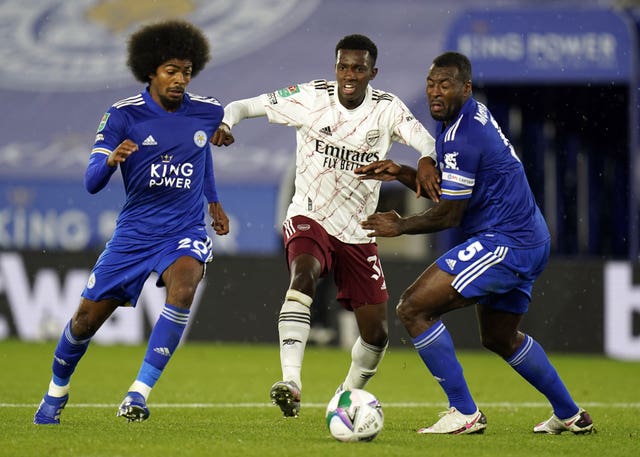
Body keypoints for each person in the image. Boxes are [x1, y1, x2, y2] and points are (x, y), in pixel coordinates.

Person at [358, 51, 594, 435]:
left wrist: (400, 226)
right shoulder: (464, 116)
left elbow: (449, 215)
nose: (435, 93)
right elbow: (449, 192)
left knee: (413, 308)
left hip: (506, 241)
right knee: (499, 336)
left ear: (465, 87)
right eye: (431, 84)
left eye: (445, 85)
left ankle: (464, 412)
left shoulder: (462, 136)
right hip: (528, 237)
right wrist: (402, 171)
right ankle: (571, 414)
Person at [211, 34, 440, 417]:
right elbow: (242, 105)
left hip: (358, 230)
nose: (348, 75)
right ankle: (291, 382)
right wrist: (226, 122)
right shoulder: (311, 97)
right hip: (309, 214)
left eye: (358, 68)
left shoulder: (388, 109)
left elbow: (426, 141)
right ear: (335, 68)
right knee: (304, 276)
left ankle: (345, 397)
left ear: (372, 72)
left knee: (377, 334)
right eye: (343, 67)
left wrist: (429, 158)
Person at [33, 20, 229, 424]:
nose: (180, 80)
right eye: (171, 71)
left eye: (187, 72)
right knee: (85, 321)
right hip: (135, 234)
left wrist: (213, 201)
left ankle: (138, 394)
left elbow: (201, 154)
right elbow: (90, 184)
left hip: (184, 229)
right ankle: (57, 389)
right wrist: (110, 160)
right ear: (151, 71)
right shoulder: (123, 116)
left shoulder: (209, 111)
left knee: (186, 283)